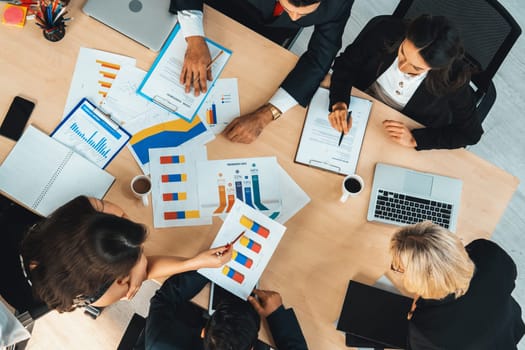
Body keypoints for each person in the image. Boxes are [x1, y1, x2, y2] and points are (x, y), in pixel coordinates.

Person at [169, 0, 353, 143]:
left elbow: (321, 56)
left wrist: (266, 115)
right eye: (289, 8)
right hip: (216, 13)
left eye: (302, 13)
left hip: (267, 39)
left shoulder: (338, 3)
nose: (296, 18)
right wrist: (194, 39)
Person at [18, 196, 232, 312]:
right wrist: (196, 262)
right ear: (112, 274)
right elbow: (149, 269)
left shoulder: (80, 209)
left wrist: (138, 261)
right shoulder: (100, 295)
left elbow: (116, 212)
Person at [329, 15, 484, 150]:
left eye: (416, 68)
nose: (402, 67)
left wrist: (416, 139)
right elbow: (346, 64)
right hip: (361, 104)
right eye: (402, 53)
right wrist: (339, 100)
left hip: (402, 130)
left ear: (436, 68)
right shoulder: (386, 32)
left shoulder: (453, 79)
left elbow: (470, 134)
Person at [389, 221, 525, 349]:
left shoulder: (425, 328)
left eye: (400, 268)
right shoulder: (489, 254)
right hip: (507, 330)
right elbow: (510, 276)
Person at [145, 271, 308, 349]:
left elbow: (164, 298)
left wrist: (209, 270)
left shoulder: (161, 343)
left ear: (204, 332)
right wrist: (277, 315)